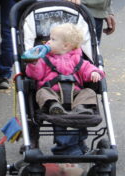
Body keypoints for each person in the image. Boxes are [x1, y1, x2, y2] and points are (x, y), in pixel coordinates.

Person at [25, 23, 104, 156]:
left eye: (53, 39)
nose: (48, 41)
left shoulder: (78, 60)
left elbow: (87, 68)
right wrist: (33, 63)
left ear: (66, 45)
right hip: (53, 93)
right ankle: (52, 106)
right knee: (42, 92)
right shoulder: (44, 59)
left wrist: (94, 73)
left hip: (75, 95)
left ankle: (82, 108)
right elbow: (35, 75)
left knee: (89, 92)